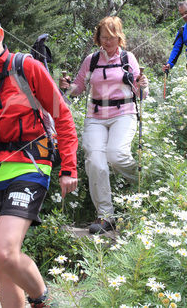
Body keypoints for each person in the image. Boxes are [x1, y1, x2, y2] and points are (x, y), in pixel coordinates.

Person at [0, 9, 78, 308]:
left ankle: (41, 300)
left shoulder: (27, 66)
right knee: (1, 261)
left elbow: (63, 117)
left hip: (30, 166)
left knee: (5, 250)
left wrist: (69, 167)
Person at [59, 16, 148, 234]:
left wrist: (142, 86)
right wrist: (66, 87)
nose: (107, 42)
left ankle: (144, 181)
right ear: (98, 37)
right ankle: (105, 216)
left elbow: (141, 94)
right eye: (103, 37)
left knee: (116, 154)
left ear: (119, 37)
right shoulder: (92, 60)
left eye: (111, 37)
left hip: (124, 113)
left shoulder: (128, 58)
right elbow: (79, 87)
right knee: (95, 161)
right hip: (96, 116)